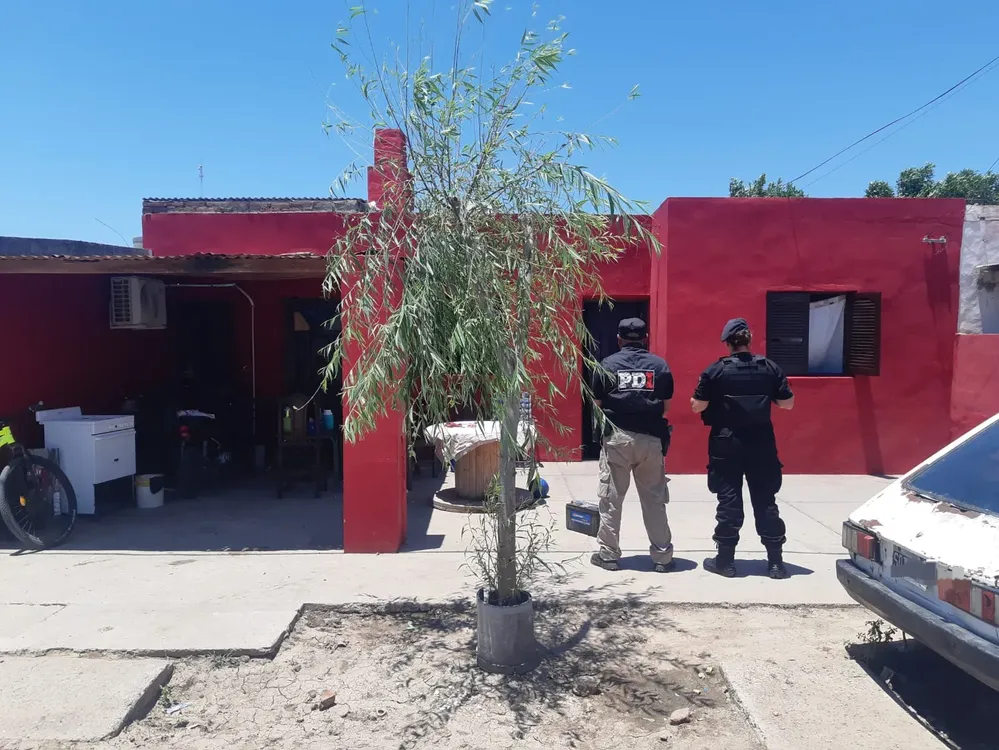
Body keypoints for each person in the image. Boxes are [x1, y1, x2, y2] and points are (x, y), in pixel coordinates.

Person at [690, 318, 794, 579]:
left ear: (728, 343)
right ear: (750, 340)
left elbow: (697, 405)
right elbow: (787, 403)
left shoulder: (716, 370)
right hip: (761, 443)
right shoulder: (769, 368)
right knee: (766, 500)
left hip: (727, 443)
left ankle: (725, 562)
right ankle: (775, 563)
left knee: (729, 500)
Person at [590, 317, 675, 573]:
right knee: (654, 499)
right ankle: (662, 557)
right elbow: (666, 407)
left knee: (612, 498)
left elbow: (597, 405)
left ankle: (608, 555)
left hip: (617, 439)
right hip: (651, 439)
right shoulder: (659, 366)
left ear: (619, 339)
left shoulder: (607, 365)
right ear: (645, 338)